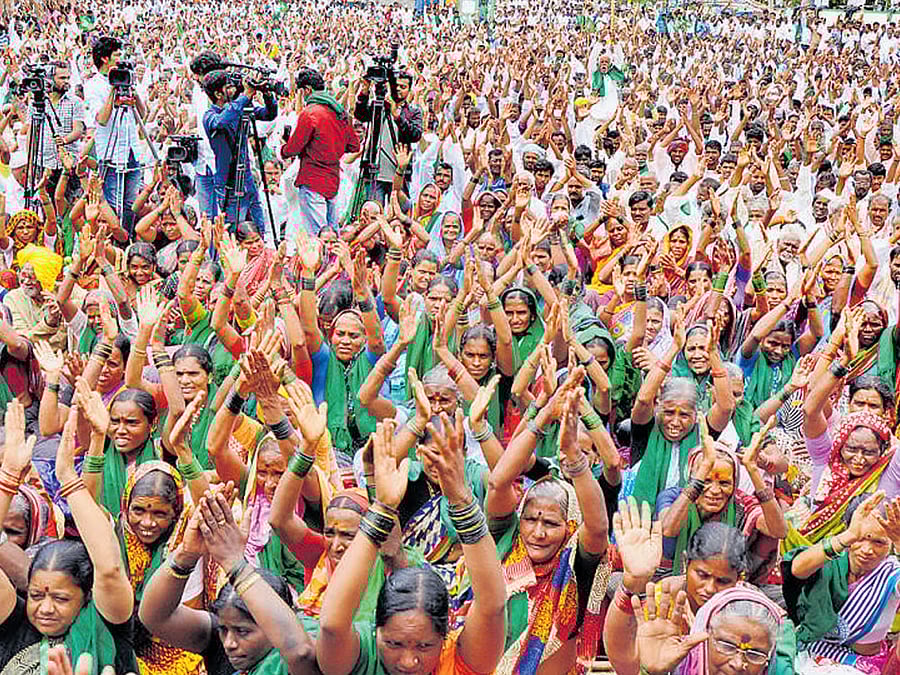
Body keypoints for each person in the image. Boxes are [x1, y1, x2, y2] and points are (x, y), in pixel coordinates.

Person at [317, 414, 507, 675]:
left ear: (445, 636)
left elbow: (492, 606)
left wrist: (462, 500)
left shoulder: (456, 661)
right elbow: (331, 627)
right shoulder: (362, 659)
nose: (408, 662)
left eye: (425, 646)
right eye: (394, 643)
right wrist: (381, 509)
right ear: (376, 631)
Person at [0, 402, 138, 674]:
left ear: (86, 596)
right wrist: (8, 478)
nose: (45, 609)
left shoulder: (106, 626)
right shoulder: (14, 622)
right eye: (37, 595)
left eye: (61, 599)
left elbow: (109, 569)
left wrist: (68, 479)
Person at [138, 484, 319, 675]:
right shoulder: (221, 640)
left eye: (243, 632)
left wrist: (234, 563)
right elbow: (154, 617)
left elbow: (301, 652)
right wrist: (186, 555)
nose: (230, 643)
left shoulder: (305, 649)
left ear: (274, 624)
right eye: (224, 630)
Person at [784, 492, 900, 674]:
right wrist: (849, 536)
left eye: (879, 543)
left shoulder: (891, 573)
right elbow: (797, 569)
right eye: (861, 538)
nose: (867, 549)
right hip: (811, 651)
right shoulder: (831, 556)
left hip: (859, 666)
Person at [281, 67, 360, 239]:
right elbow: (354, 145)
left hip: (312, 178)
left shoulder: (310, 113)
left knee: (319, 237)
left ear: (307, 90)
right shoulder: (339, 112)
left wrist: (283, 149)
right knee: (332, 234)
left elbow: (292, 149)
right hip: (333, 181)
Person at [83, 36, 147, 237]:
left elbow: (142, 115)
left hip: (132, 151)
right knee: (113, 204)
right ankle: (111, 242)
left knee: (131, 204)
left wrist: (132, 92)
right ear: (104, 58)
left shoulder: (127, 81)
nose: (121, 59)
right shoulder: (93, 85)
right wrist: (113, 90)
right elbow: (101, 119)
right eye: (117, 55)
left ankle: (127, 239)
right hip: (111, 155)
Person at [202, 70, 277, 234]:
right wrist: (245, 95)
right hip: (229, 183)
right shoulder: (210, 115)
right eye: (228, 87)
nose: (234, 90)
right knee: (234, 231)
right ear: (218, 94)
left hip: (248, 180)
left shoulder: (239, 108)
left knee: (258, 227)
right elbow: (221, 122)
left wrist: (267, 95)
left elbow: (269, 114)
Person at [353, 69, 424, 204]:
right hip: (375, 173)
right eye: (396, 85)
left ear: (409, 90)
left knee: (397, 217)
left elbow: (415, 135)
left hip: (399, 174)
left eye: (403, 87)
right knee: (374, 215)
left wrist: (397, 116)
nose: (398, 90)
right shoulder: (379, 106)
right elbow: (360, 115)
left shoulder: (413, 112)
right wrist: (365, 91)